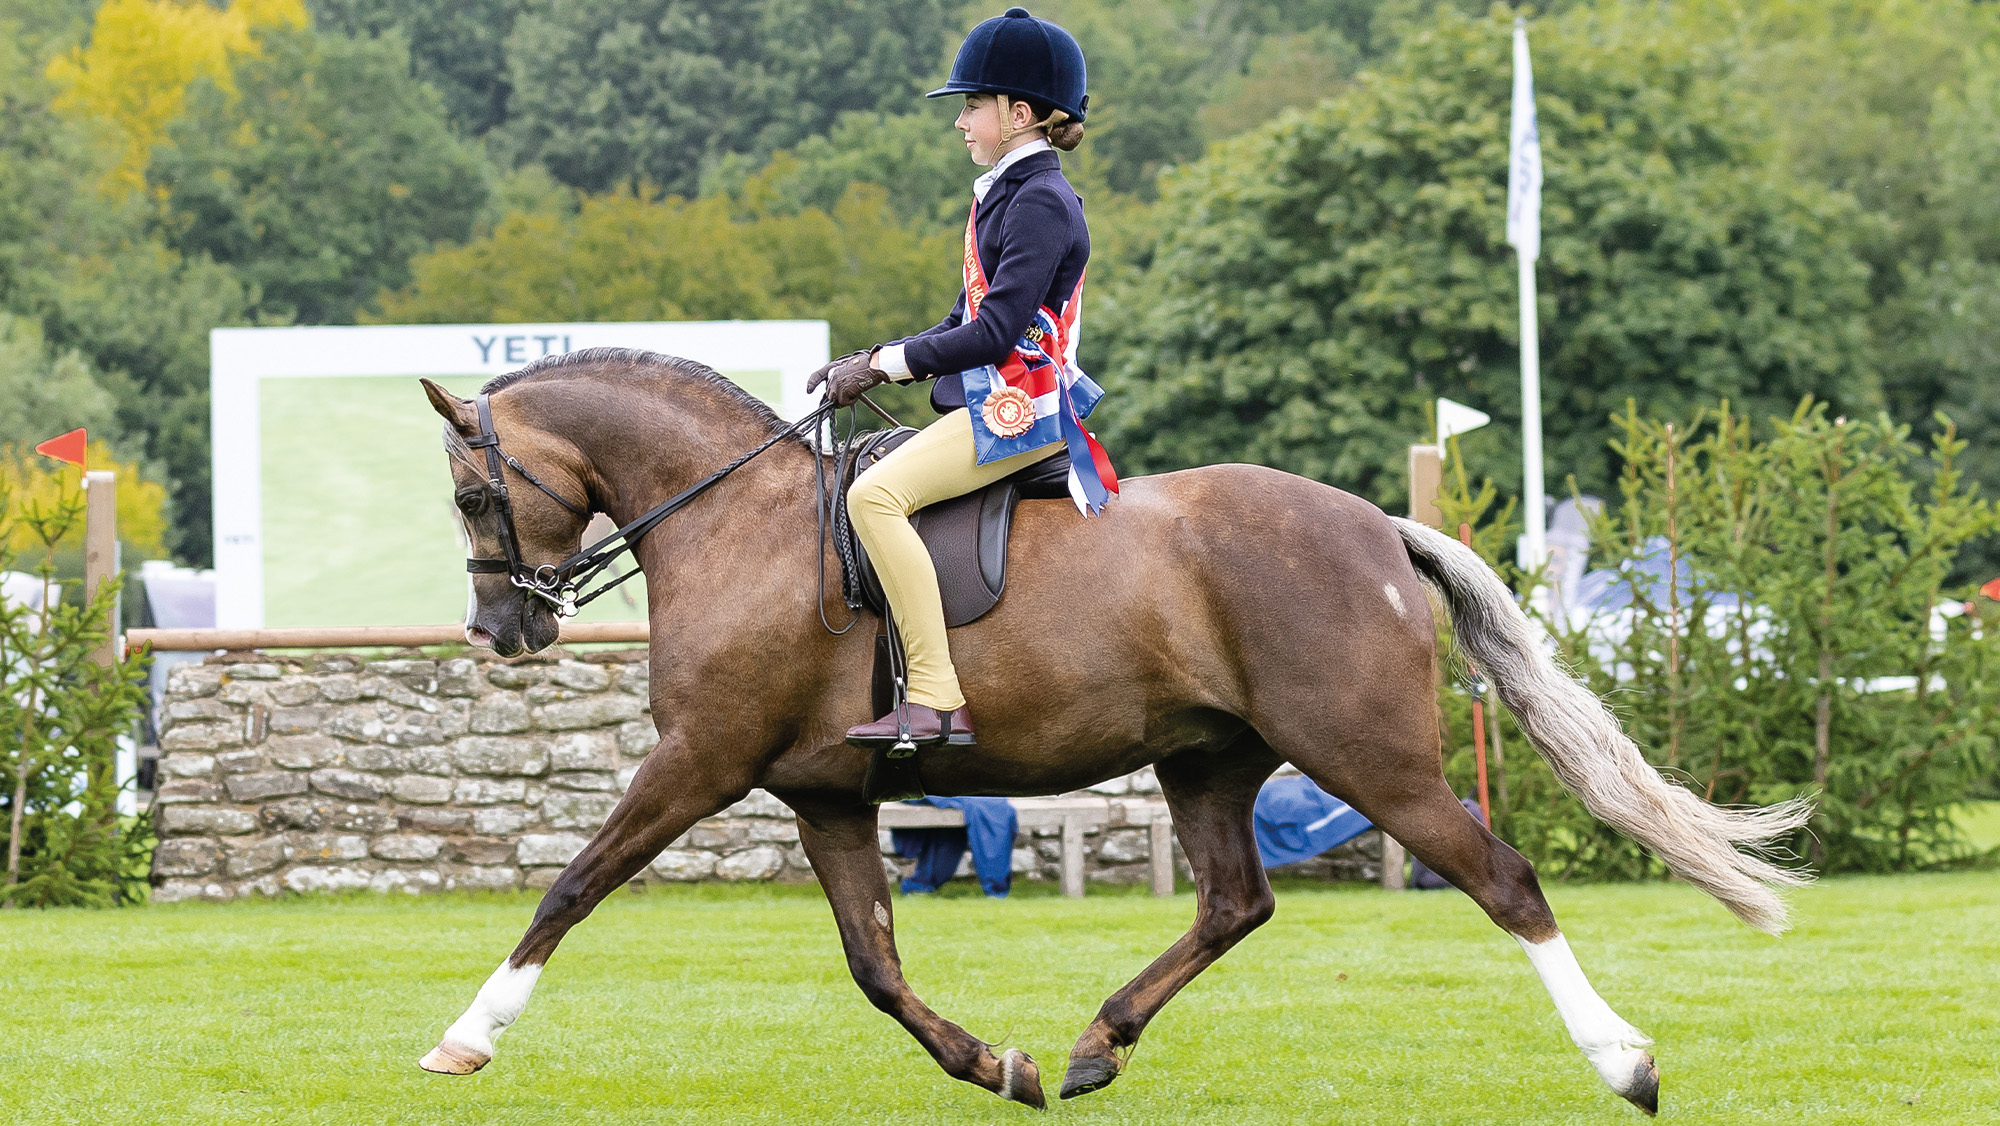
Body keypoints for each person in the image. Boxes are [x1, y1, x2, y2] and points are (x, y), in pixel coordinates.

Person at [808, 7, 1117, 751]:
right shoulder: (1005, 195)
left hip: (1024, 411)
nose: (961, 123)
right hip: (994, 401)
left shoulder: (1040, 200)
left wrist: (885, 366)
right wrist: (873, 357)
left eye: (971, 106)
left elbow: (995, 334)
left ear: (1017, 114)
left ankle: (938, 697)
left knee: (873, 497)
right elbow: (960, 320)